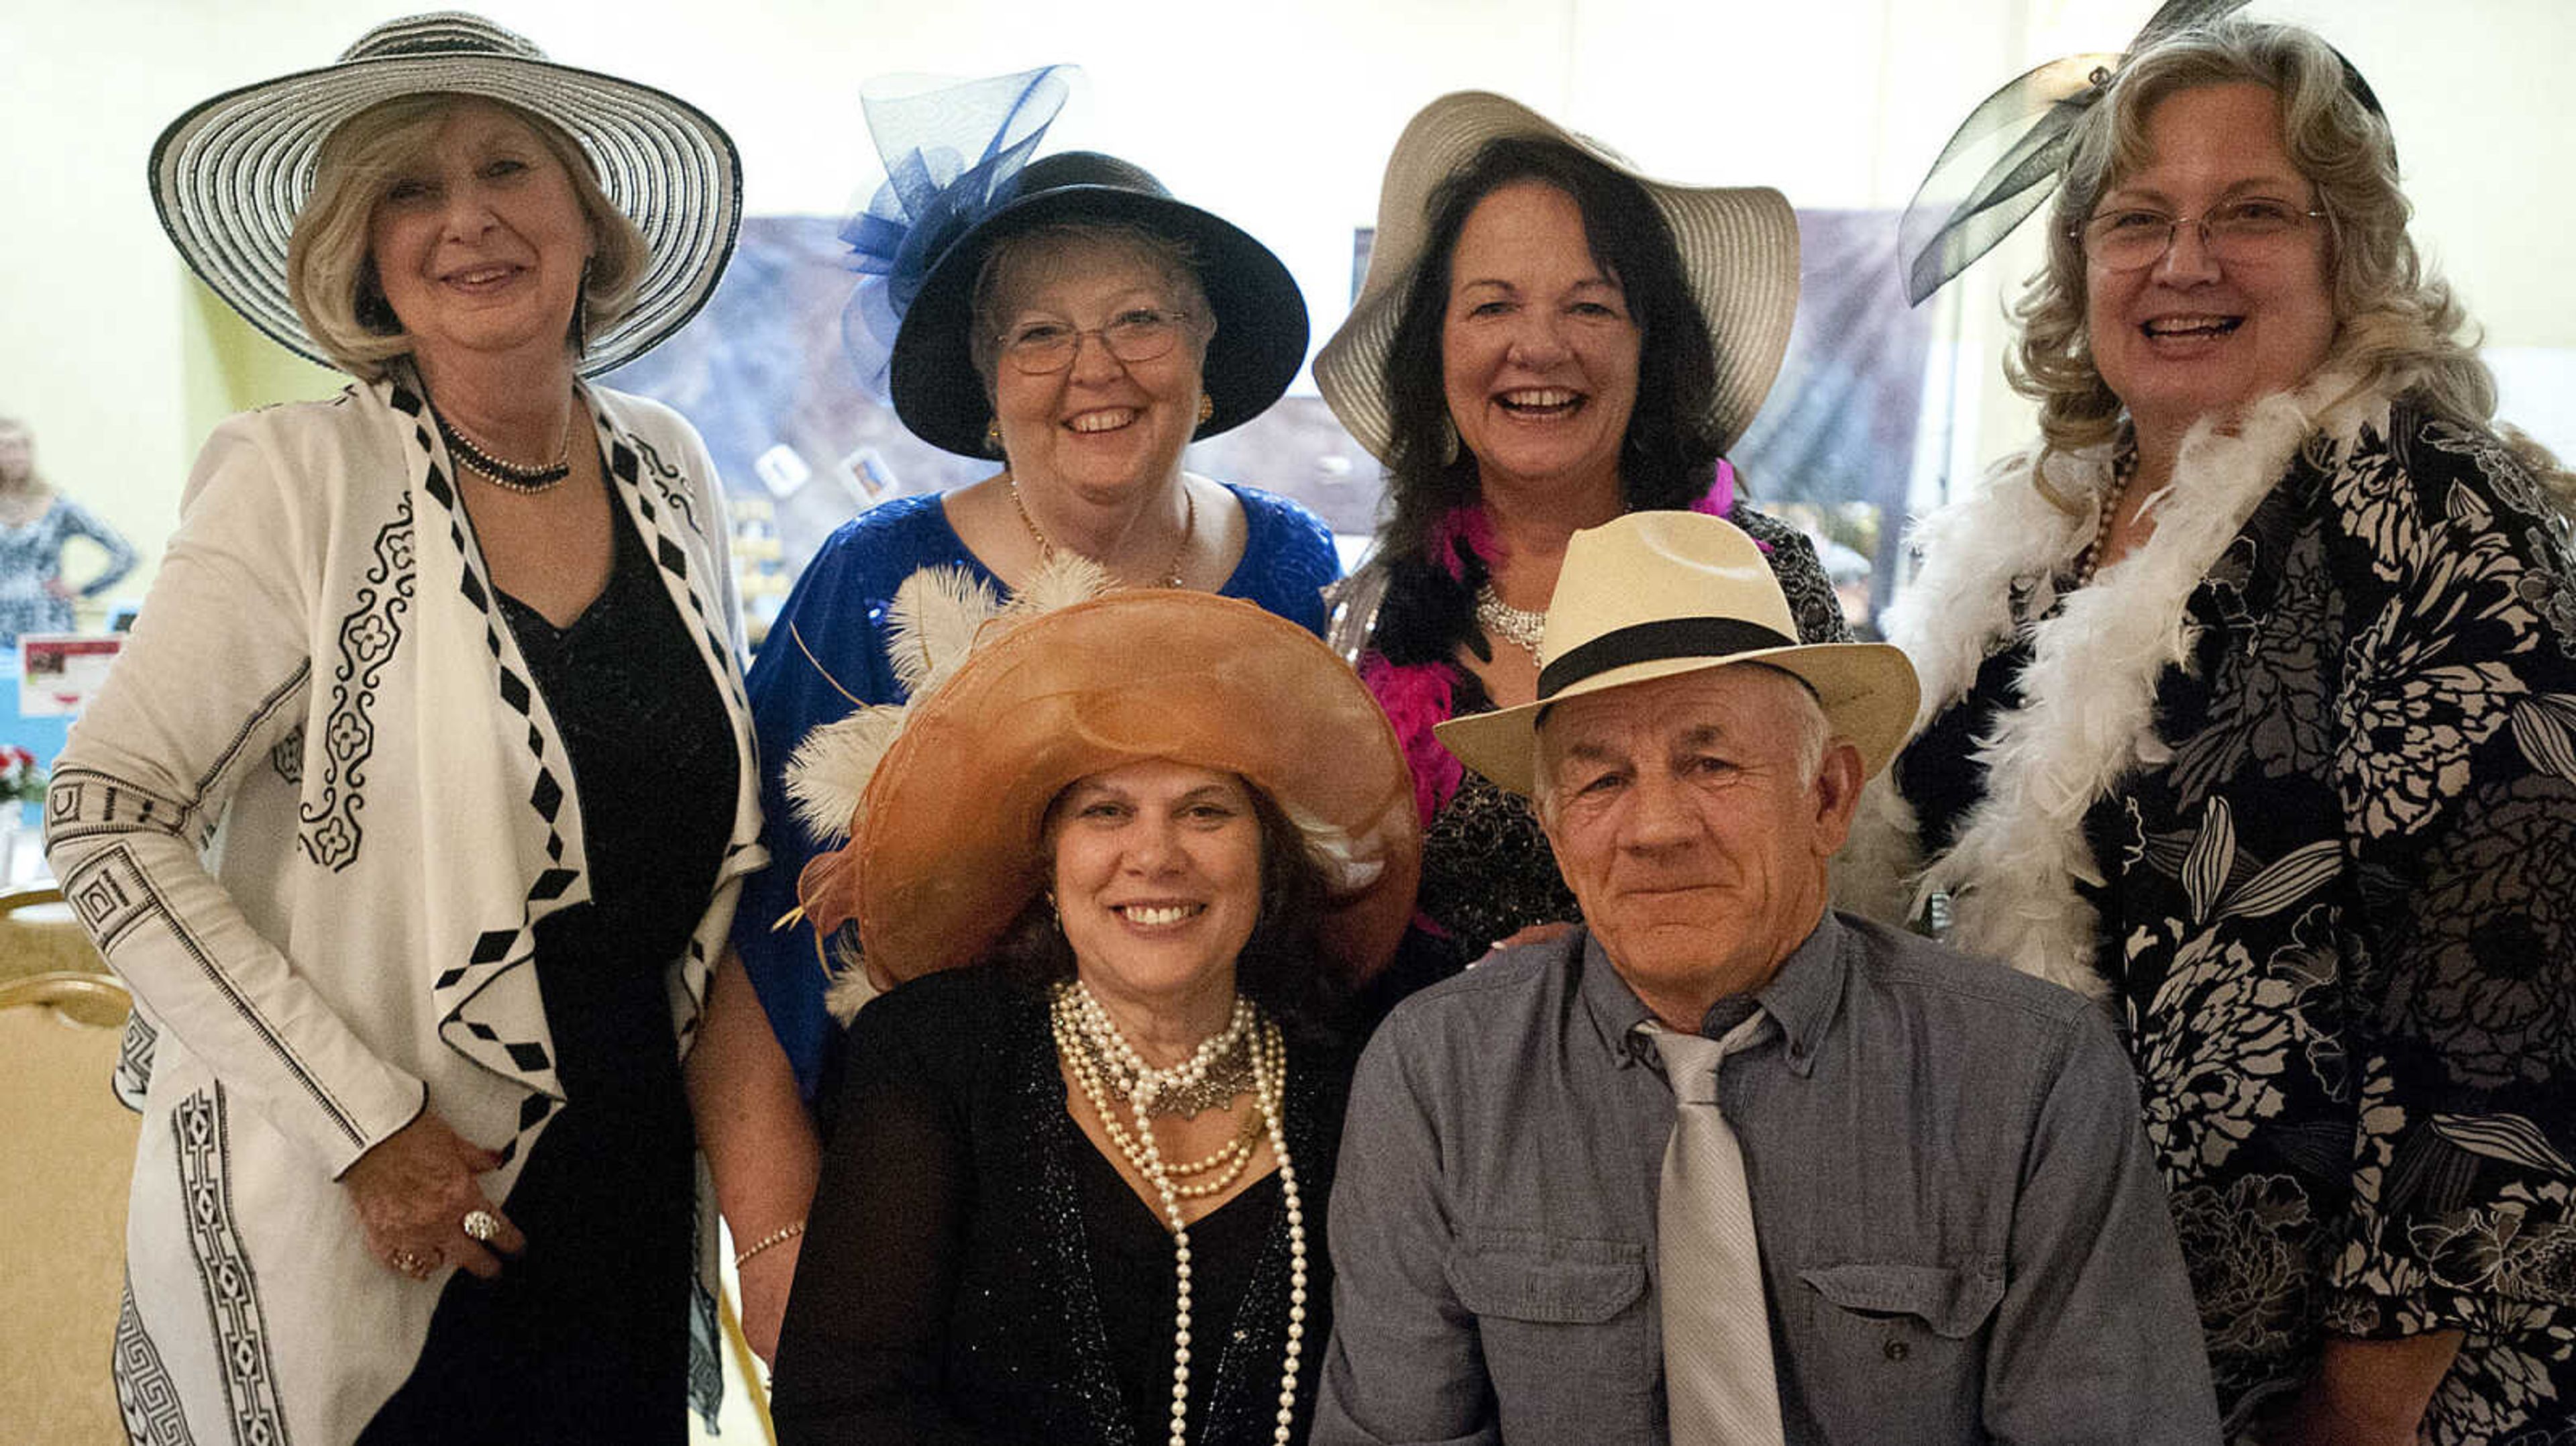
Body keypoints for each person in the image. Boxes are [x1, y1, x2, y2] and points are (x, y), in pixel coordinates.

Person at [1851, 13, 2576, 1443]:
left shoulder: (2434, 518)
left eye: (2252, 212)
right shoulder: (2031, 530)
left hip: (2323, 1387)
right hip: (2033, 1339)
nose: (2185, 264)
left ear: (2347, 249)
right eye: (2138, 220)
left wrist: (2363, 1406)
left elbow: (2511, 997)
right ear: (2079, 262)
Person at [48, 15, 756, 1442]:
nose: (468, 217)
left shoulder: (669, 468)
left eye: (507, 167)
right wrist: (364, 1124)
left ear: (585, 220)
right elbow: (102, 816)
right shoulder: (297, 479)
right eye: (410, 191)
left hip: (620, 1172)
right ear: (360, 250)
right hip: (365, 1211)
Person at [1316, 510, 2219, 1445]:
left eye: (1711, 763)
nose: (1655, 826)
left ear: (1828, 796)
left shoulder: (2031, 1080)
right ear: (1554, 830)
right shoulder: (1436, 1078)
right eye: (1600, 781)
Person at [698, 70, 1340, 1359]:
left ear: (1207, 361)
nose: (1093, 370)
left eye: (1141, 320)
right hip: (918, 1215)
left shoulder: (1301, 576)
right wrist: (776, 1249)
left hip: (1230, 1220)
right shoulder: (871, 585)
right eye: (1038, 334)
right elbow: (736, 935)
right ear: (989, 388)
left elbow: (1343, 902)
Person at [765, 583, 1419, 1445]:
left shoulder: (1366, 1071)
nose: (1153, 855)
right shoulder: (935, 1050)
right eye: (1105, 811)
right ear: (1048, 864)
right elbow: (844, 1406)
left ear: (1271, 859)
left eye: (1206, 811)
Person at [1312, 91, 1850, 1002]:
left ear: (1650, 348)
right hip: (1449, 1111)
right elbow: (1333, 936)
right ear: (1437, 352)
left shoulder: (1759, 577)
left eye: (1590, 307)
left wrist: (1612, 965)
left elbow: (1840, 883)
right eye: (1492, 306)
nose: (1539, 346)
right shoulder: (1368, 619)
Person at [0, 415, 138, 648]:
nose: (18, 455)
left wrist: (83, 590)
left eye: (25, 446)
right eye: (8, 447)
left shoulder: (59, 507)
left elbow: (125, 554)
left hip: (48, 631)